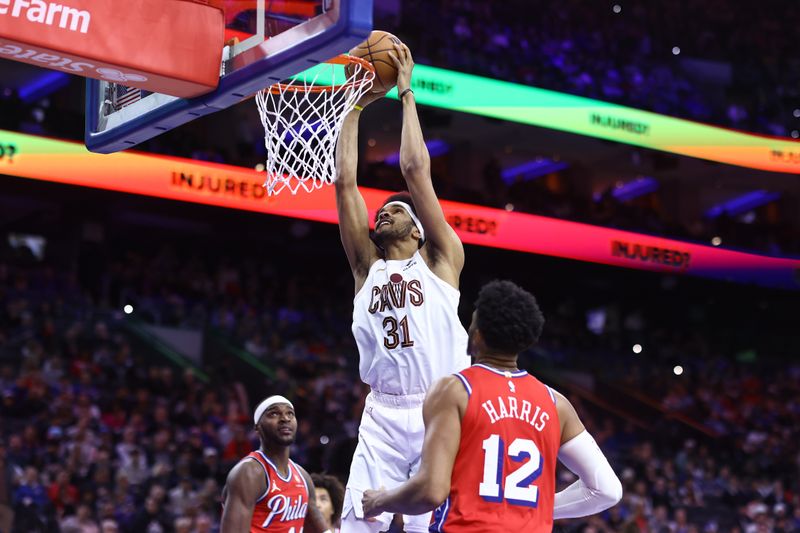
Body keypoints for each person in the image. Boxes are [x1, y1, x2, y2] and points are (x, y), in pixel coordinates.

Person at [334, 41, 471, 532]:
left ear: (417, 229)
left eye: (395, 210)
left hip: (442, 409)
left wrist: (405, 92)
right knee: (356, 523)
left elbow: (414, 172)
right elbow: (345, 184)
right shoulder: (364, 268)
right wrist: (356, 104)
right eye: (382, 210)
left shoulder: (441, 260)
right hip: (383, 414)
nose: (383, 210)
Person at [362, 280, 623, 531]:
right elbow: (606, 490)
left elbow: (431, 491)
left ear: (478, 336)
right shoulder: (557, 404)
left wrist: (379, 501)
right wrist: (533, 506)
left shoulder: (454, 390)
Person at [221, 396, 327, 533]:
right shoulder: (249, 472)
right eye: (274, 413)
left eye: (290, 413)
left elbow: (320, 529)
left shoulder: (303, 476)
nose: (285, 418)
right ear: (257, 427)